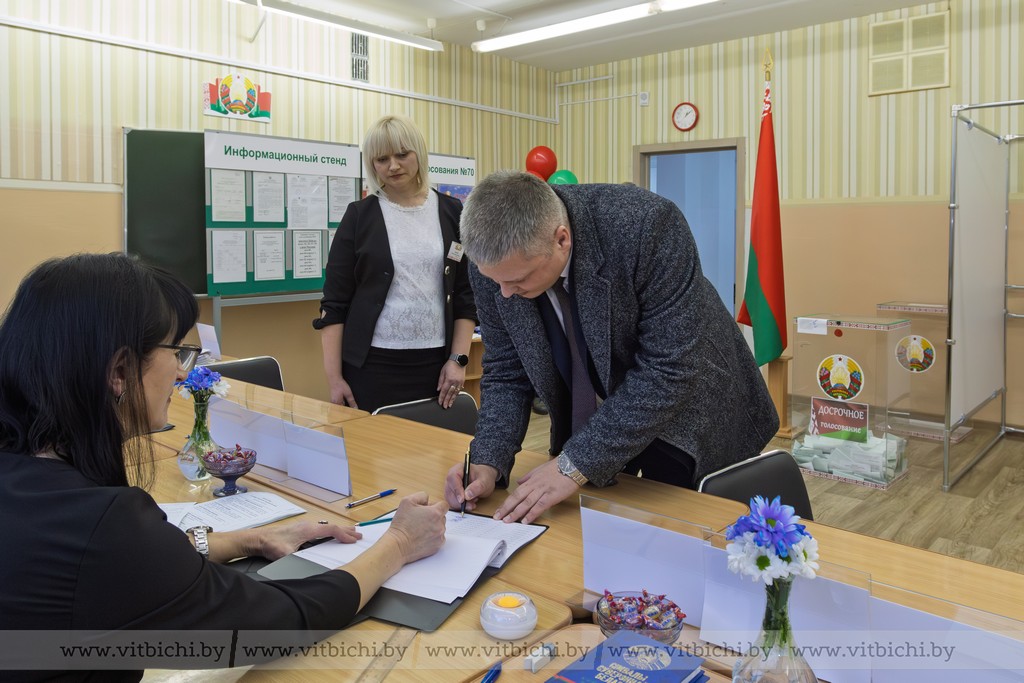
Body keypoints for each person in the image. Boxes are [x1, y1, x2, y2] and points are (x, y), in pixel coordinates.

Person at [0, 253, 447, 681]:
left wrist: (247, 538)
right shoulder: (97, 524)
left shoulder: (32, 481)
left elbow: (119, 567)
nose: (180, 372)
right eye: (174, 352)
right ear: (119, 371)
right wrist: (400, 544)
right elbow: (279, 621)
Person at [444, 171, 779, 524]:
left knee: (674, 537)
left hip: (691, 410)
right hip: (602, 413)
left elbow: (668, 370)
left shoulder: (646, 225)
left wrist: (575, 463)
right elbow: (507, 370)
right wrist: (487, 459)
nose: (506, 294)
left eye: (519, 280)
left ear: (561, 240)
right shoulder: (496, 266)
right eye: (496, 281)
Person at [315, 114, 476, 412]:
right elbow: (334, 304)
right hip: (372, 366)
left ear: (419, 153)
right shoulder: (359, 217)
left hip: (436, 366)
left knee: (434, 454)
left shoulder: (452, 212)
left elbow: (466, 295)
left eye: (402, 154)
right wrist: (334, 378)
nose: (393, 166)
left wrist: (458, 360)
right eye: (381, 159)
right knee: (373, 454)